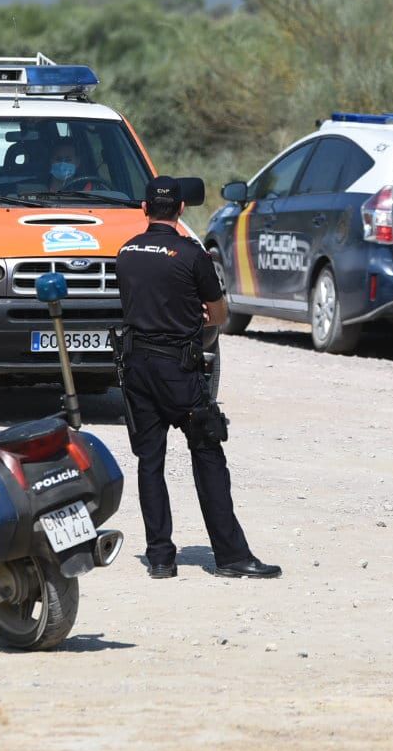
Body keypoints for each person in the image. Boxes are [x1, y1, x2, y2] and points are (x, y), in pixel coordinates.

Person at [115, 176, 280, 580]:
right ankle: (231, 555)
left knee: (149, 461)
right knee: (208, 454)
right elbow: (219, 315)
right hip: (179, 369)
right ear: (182, 209)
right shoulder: (191, 255)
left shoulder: (126, 252)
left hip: (136, 366)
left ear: (145, 209)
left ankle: (160, 557)